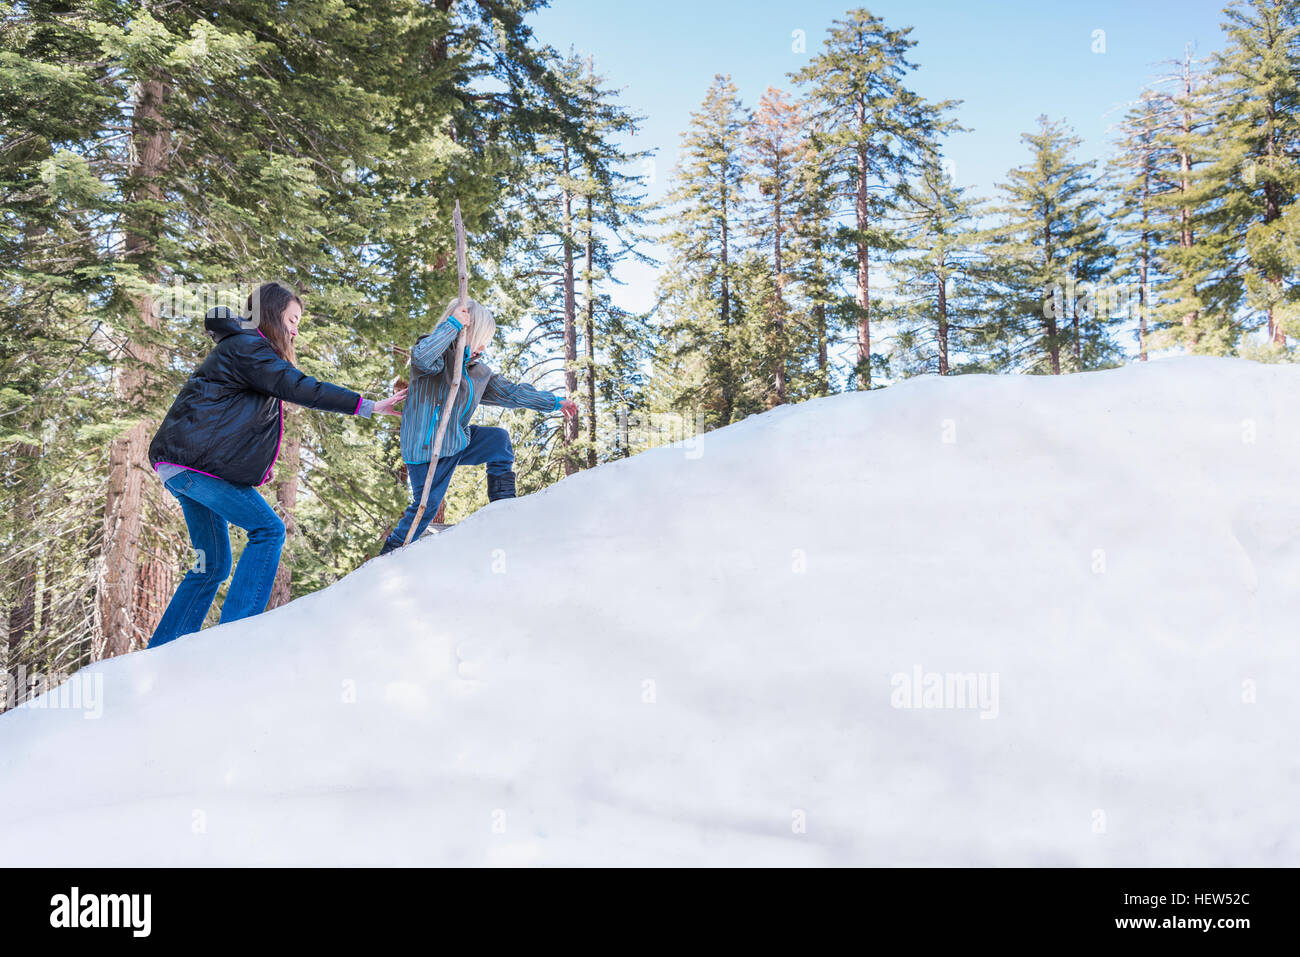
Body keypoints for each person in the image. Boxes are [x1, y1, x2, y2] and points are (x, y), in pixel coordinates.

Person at [146, 281, 405, 648]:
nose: (296, 329)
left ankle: (163, 650)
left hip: (183, 468)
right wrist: (367, 405)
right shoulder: (250, 347)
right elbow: (300, 386)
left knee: (213, 564)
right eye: (292, 319)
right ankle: (236, 637)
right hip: (192, 467)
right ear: (271, 314)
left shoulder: (243, 348)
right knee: (268, 529)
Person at [379, 296, 577, 554]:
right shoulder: (434, 354)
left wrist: (553, 402)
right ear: (465, 332)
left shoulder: (477, 372)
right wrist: (452, 325)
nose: (483, 347)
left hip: (455, 441)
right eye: (480, 338)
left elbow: (511, 393)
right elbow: (424, 358)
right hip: (428, 449)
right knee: (425, 507)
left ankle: (503, 508)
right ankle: (390, 554)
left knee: (498, 442)